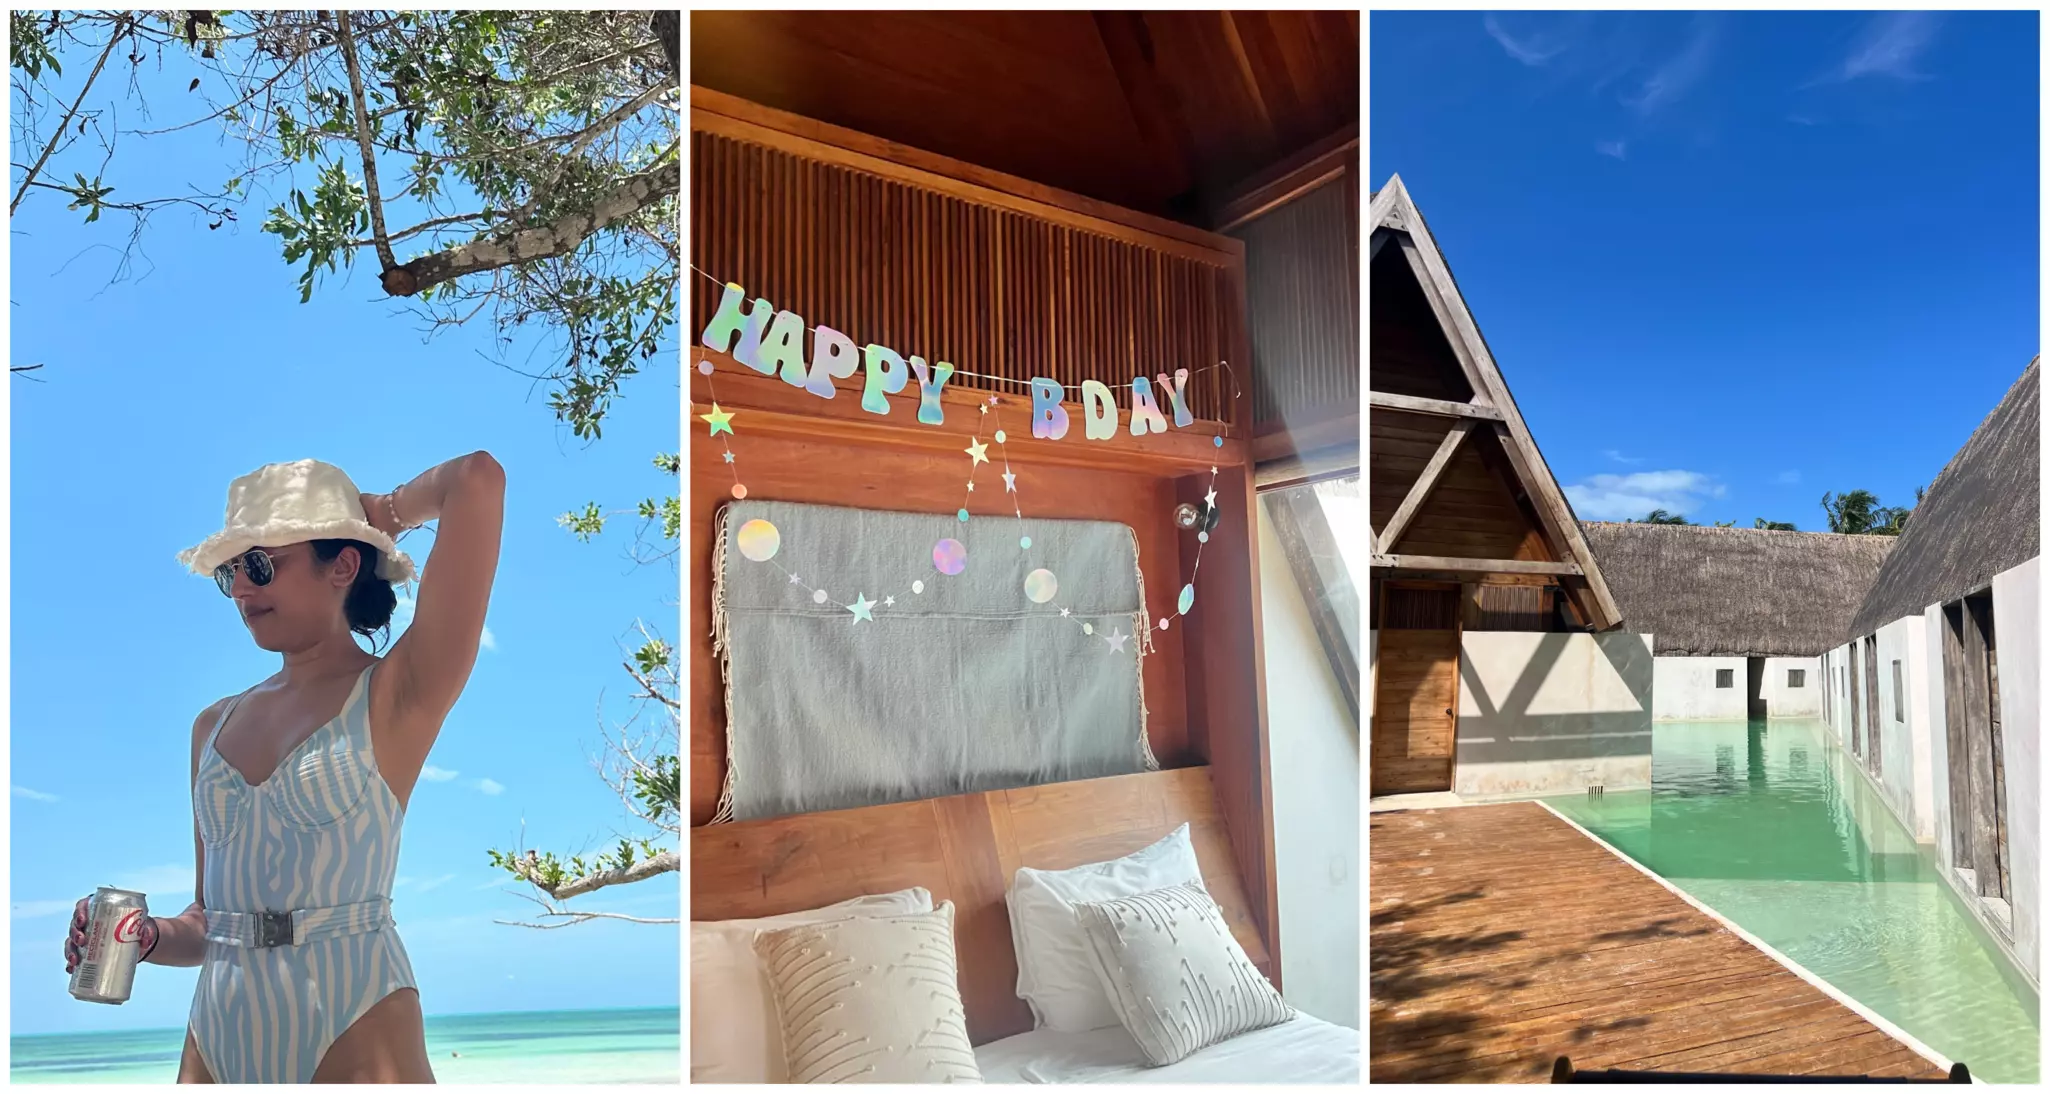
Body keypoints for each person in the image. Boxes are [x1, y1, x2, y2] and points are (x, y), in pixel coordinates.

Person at [64, 454, 504, 1083]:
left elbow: (476, 479)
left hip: (356, 1017)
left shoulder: (396, 694)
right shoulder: (211, 726)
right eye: (231, 573)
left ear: (342, 566)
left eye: (262, 565)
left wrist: (375, 516)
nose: (242, 590)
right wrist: (150, 937)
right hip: (216, 1031)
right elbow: (209, 921)